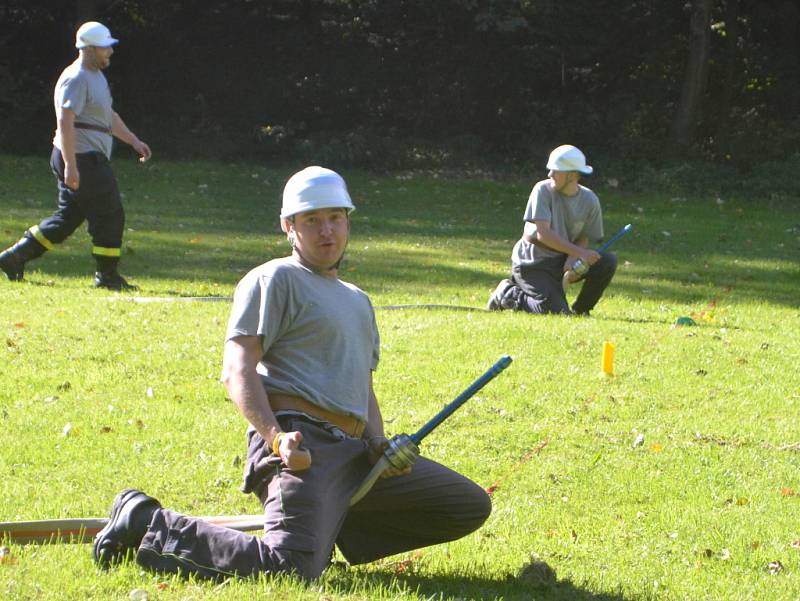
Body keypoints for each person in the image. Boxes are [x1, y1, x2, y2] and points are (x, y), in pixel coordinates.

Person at [92, 166, 491, 580]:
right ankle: (146, 522)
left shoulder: (360, 301)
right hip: (302, 446)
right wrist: (276, 438)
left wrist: (376, 442)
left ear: (348, 221)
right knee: (290, 569)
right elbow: (237, 369)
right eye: (312, 220)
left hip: (356, 456)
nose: (326, 231)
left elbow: (363, 389)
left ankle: (325, 524)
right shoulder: (274, 279)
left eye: (335, 218)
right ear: (289, 226)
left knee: (467, 505)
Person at [0, 21, 151, 291]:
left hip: (82, 158)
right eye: (105, 48)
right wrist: (71, 166)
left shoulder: (95, 76)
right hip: (82, 158)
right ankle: (106, 276)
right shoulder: (77, 78)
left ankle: (14, 258)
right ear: (90, 49)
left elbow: (107, 116)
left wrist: (133, 141)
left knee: (67, 218)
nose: (110, 52)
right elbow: (65, 121)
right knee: (110, 214)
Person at [487, 145, 617, 316]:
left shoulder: (590, 200)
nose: (549, 175)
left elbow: (583, 236)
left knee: (607, 261)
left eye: (555, 171)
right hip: (533, 263)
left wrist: (572, 259)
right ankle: (507, 292)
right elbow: (544, 234)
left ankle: (581, 310)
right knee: (553, 311)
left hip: (562, 258)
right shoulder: (542, 190)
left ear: (571, 175)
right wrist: (579, 253)